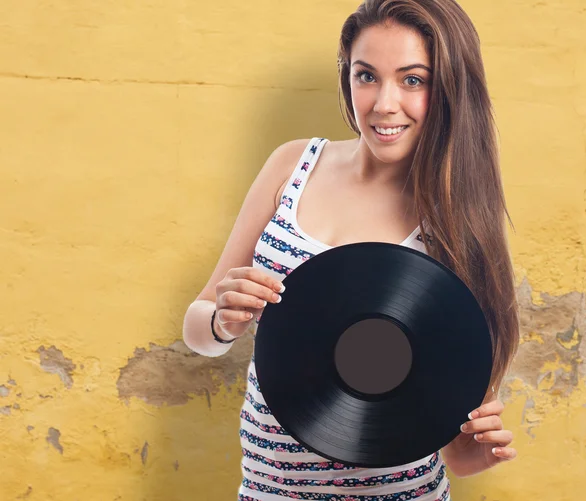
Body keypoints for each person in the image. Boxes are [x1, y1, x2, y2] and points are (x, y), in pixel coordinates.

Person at [182, 0, 520, 499]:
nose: (384, 103)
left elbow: (452, 442)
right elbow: (200, 325)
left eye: (413, 80)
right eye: (367, 76)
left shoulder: (458, 220)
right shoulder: (292, 165)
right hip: (267, 491)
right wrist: (220, 323)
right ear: (348, 76)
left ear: (449, 87)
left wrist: (468, 455)